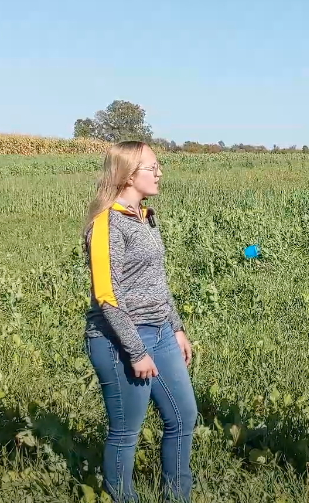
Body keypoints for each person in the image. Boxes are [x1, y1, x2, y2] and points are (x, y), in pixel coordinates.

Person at [82, 141, 197, 503]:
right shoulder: (106, 224)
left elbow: (156, 280)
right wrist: (135, 351)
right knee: (126, 432)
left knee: (183, 417)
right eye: (152, 167)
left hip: (160, 332)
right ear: (128, 175)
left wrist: (175, 326)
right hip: (119, 339)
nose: (159, 172)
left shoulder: (144, 217)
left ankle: (177, 497)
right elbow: (108, 295)